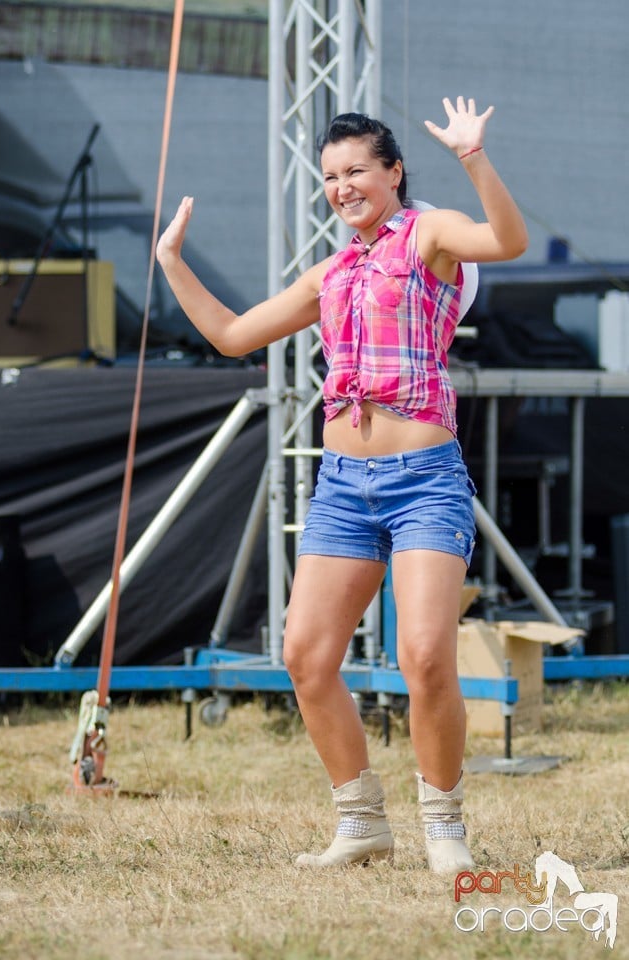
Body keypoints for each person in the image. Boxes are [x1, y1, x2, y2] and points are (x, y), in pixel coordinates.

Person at [156, 96, 528, 873]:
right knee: (306, 656)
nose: (343, 185)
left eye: (358, 169)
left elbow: (509, 240)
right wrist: (172, 264)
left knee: (424, 655)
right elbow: (231, 335)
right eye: (330, 175)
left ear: (393, 172)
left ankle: (444, 826)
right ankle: (361, 823)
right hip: (343, 485)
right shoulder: (332, 271)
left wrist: (473, 156)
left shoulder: (430, 235)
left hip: (423, 478)